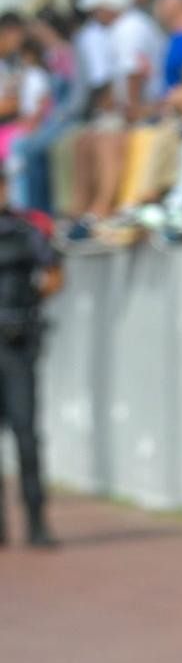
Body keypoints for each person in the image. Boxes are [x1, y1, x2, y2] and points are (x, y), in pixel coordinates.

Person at [0, 198, 58, 548]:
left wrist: (30, 306)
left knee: (26, 434)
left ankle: (36, 521)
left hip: (18, 345)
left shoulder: (26, 231)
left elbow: (53, 273)